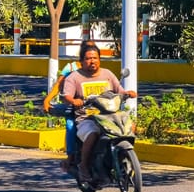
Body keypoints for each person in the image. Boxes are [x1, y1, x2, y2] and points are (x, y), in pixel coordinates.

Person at [62, 44, 137, 182]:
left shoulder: (107, 74)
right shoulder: (74, 77)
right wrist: (73, 101)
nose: (92, 61)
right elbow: (66, 96)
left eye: (95, 58)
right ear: (82, 60)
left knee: (130, 127)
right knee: (93, 134)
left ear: (100, 59)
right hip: (87, 118)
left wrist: (127, 93)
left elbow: (119, 90)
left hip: (110, 115)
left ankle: (124, 158)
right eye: (88, 58)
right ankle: (83, 166)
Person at [43, 40, 96, 171]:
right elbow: (58, 86)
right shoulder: (71, 68)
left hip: (94, 108)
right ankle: (71, 157)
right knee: (71, 125)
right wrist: (47, 100)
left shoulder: (96, 68)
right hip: (75, 108)